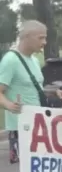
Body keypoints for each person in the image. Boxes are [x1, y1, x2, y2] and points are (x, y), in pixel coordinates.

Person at [0, 21, 49, 164]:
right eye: (41, 38)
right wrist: (9, 105)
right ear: (27, 37)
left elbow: (34, 87)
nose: (44, 42)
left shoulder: (34, 60)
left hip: (38, 124)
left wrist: (54, 92)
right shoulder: (11, 60)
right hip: (21, 127)